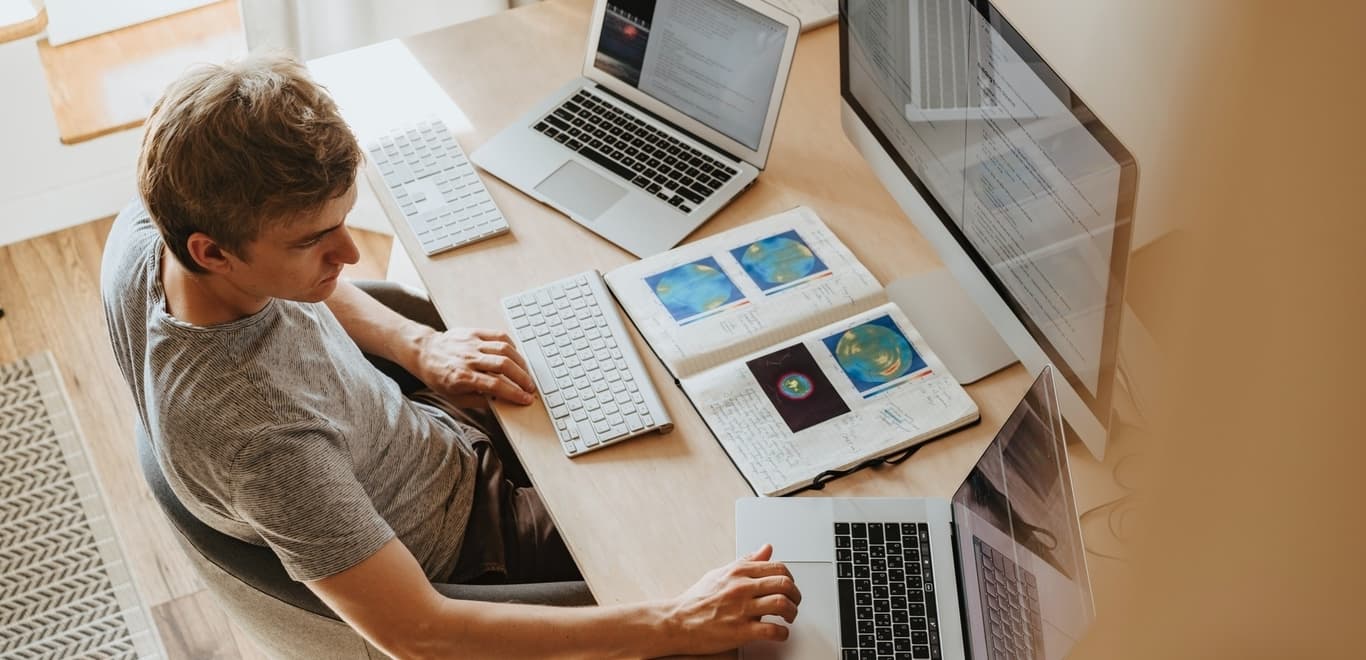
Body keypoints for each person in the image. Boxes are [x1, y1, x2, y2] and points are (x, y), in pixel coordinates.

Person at [101, 52, 799, 658]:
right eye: (315, 241)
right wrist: (675, 622)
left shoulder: (151, 229)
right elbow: (420, 635)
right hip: (471, 549)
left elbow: (300, 285)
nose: (346, 256)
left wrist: (421, 345)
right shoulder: (261, 441)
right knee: (755, 583)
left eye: (342, 222)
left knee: (668, 390)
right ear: (212, 251)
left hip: (424, 438)